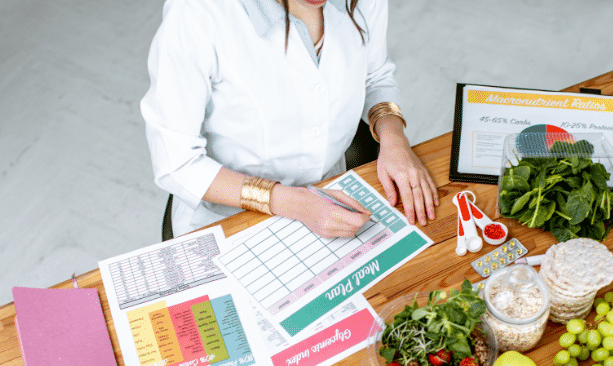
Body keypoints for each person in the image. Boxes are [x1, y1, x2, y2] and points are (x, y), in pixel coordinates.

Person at [140, 0, 438, 240]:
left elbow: (375, 75)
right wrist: (295, 203)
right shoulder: (197, 13)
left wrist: (394, 139)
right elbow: (176, 163)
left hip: (331, 198)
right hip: (229, 219)